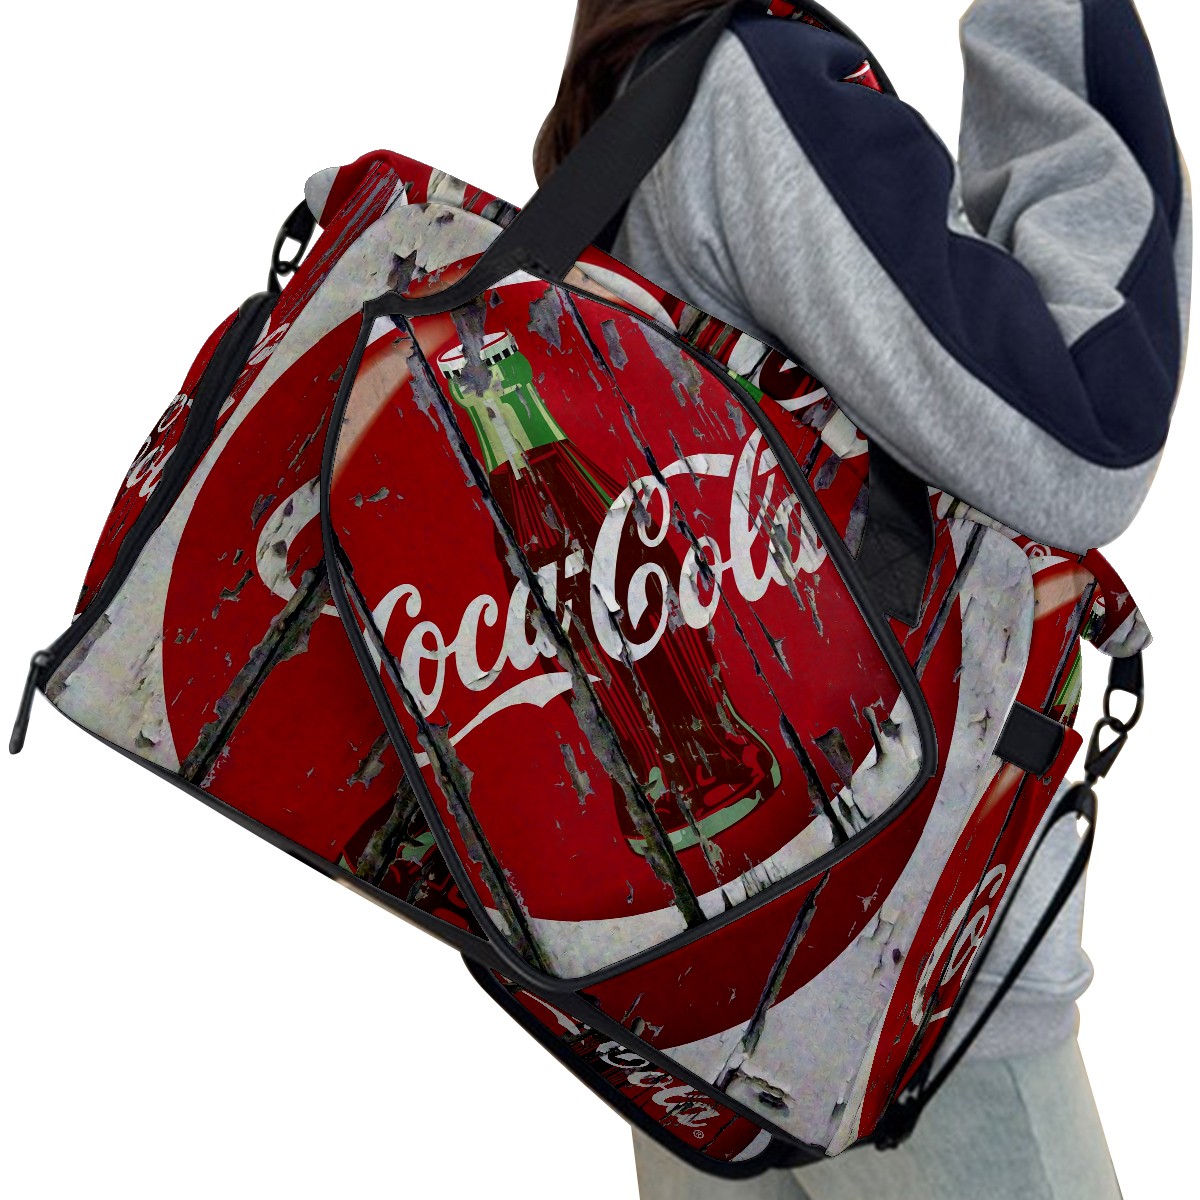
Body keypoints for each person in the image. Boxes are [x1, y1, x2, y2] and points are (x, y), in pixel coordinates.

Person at [534, 1, 1191, 1197]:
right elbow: (1085, 432)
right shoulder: (757, 91)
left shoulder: (618, 137)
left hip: (687, 1005)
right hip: (905, 1001)